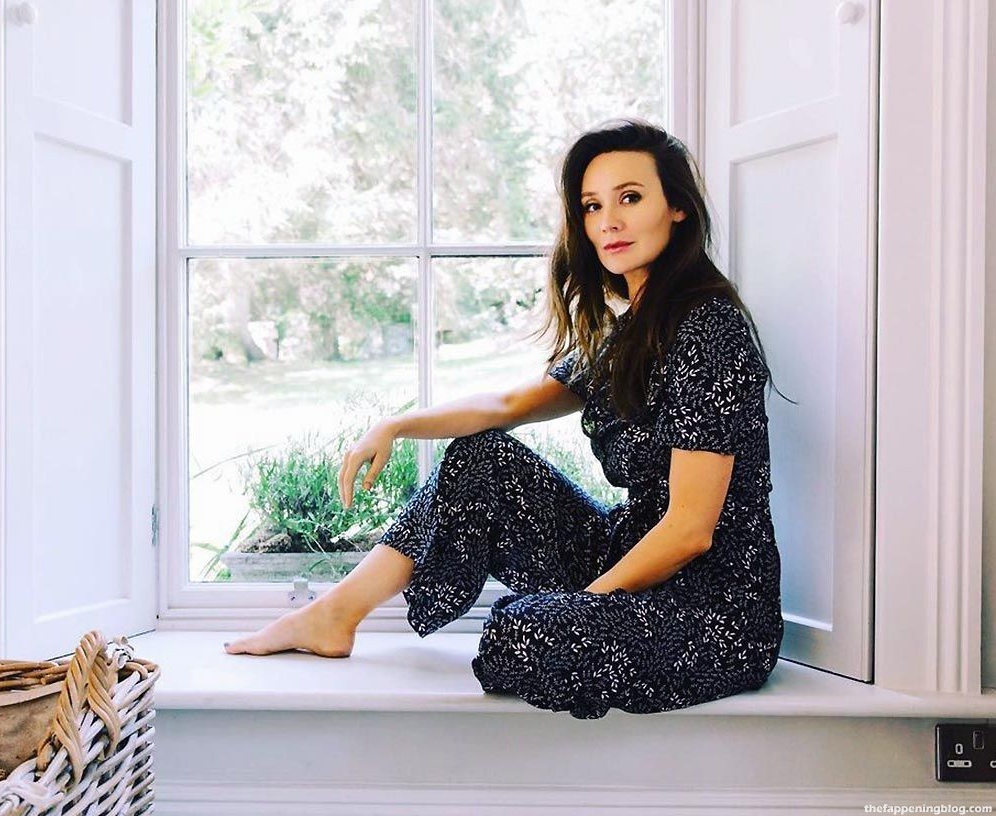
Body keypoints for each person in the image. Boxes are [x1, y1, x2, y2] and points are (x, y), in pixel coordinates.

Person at [223, 116, 792, 720]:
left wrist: (584, 608)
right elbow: (507, 407)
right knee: (482, 458)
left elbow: (689, 531)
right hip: (631, 554)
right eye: (592, 206)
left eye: (630, 198)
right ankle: (333, 615)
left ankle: (560, 619)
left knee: (521, 634)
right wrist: (394, 425)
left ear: (677, 208)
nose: (609, 222)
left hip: (712, 610)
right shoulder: (627, 332)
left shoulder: (709, 329)